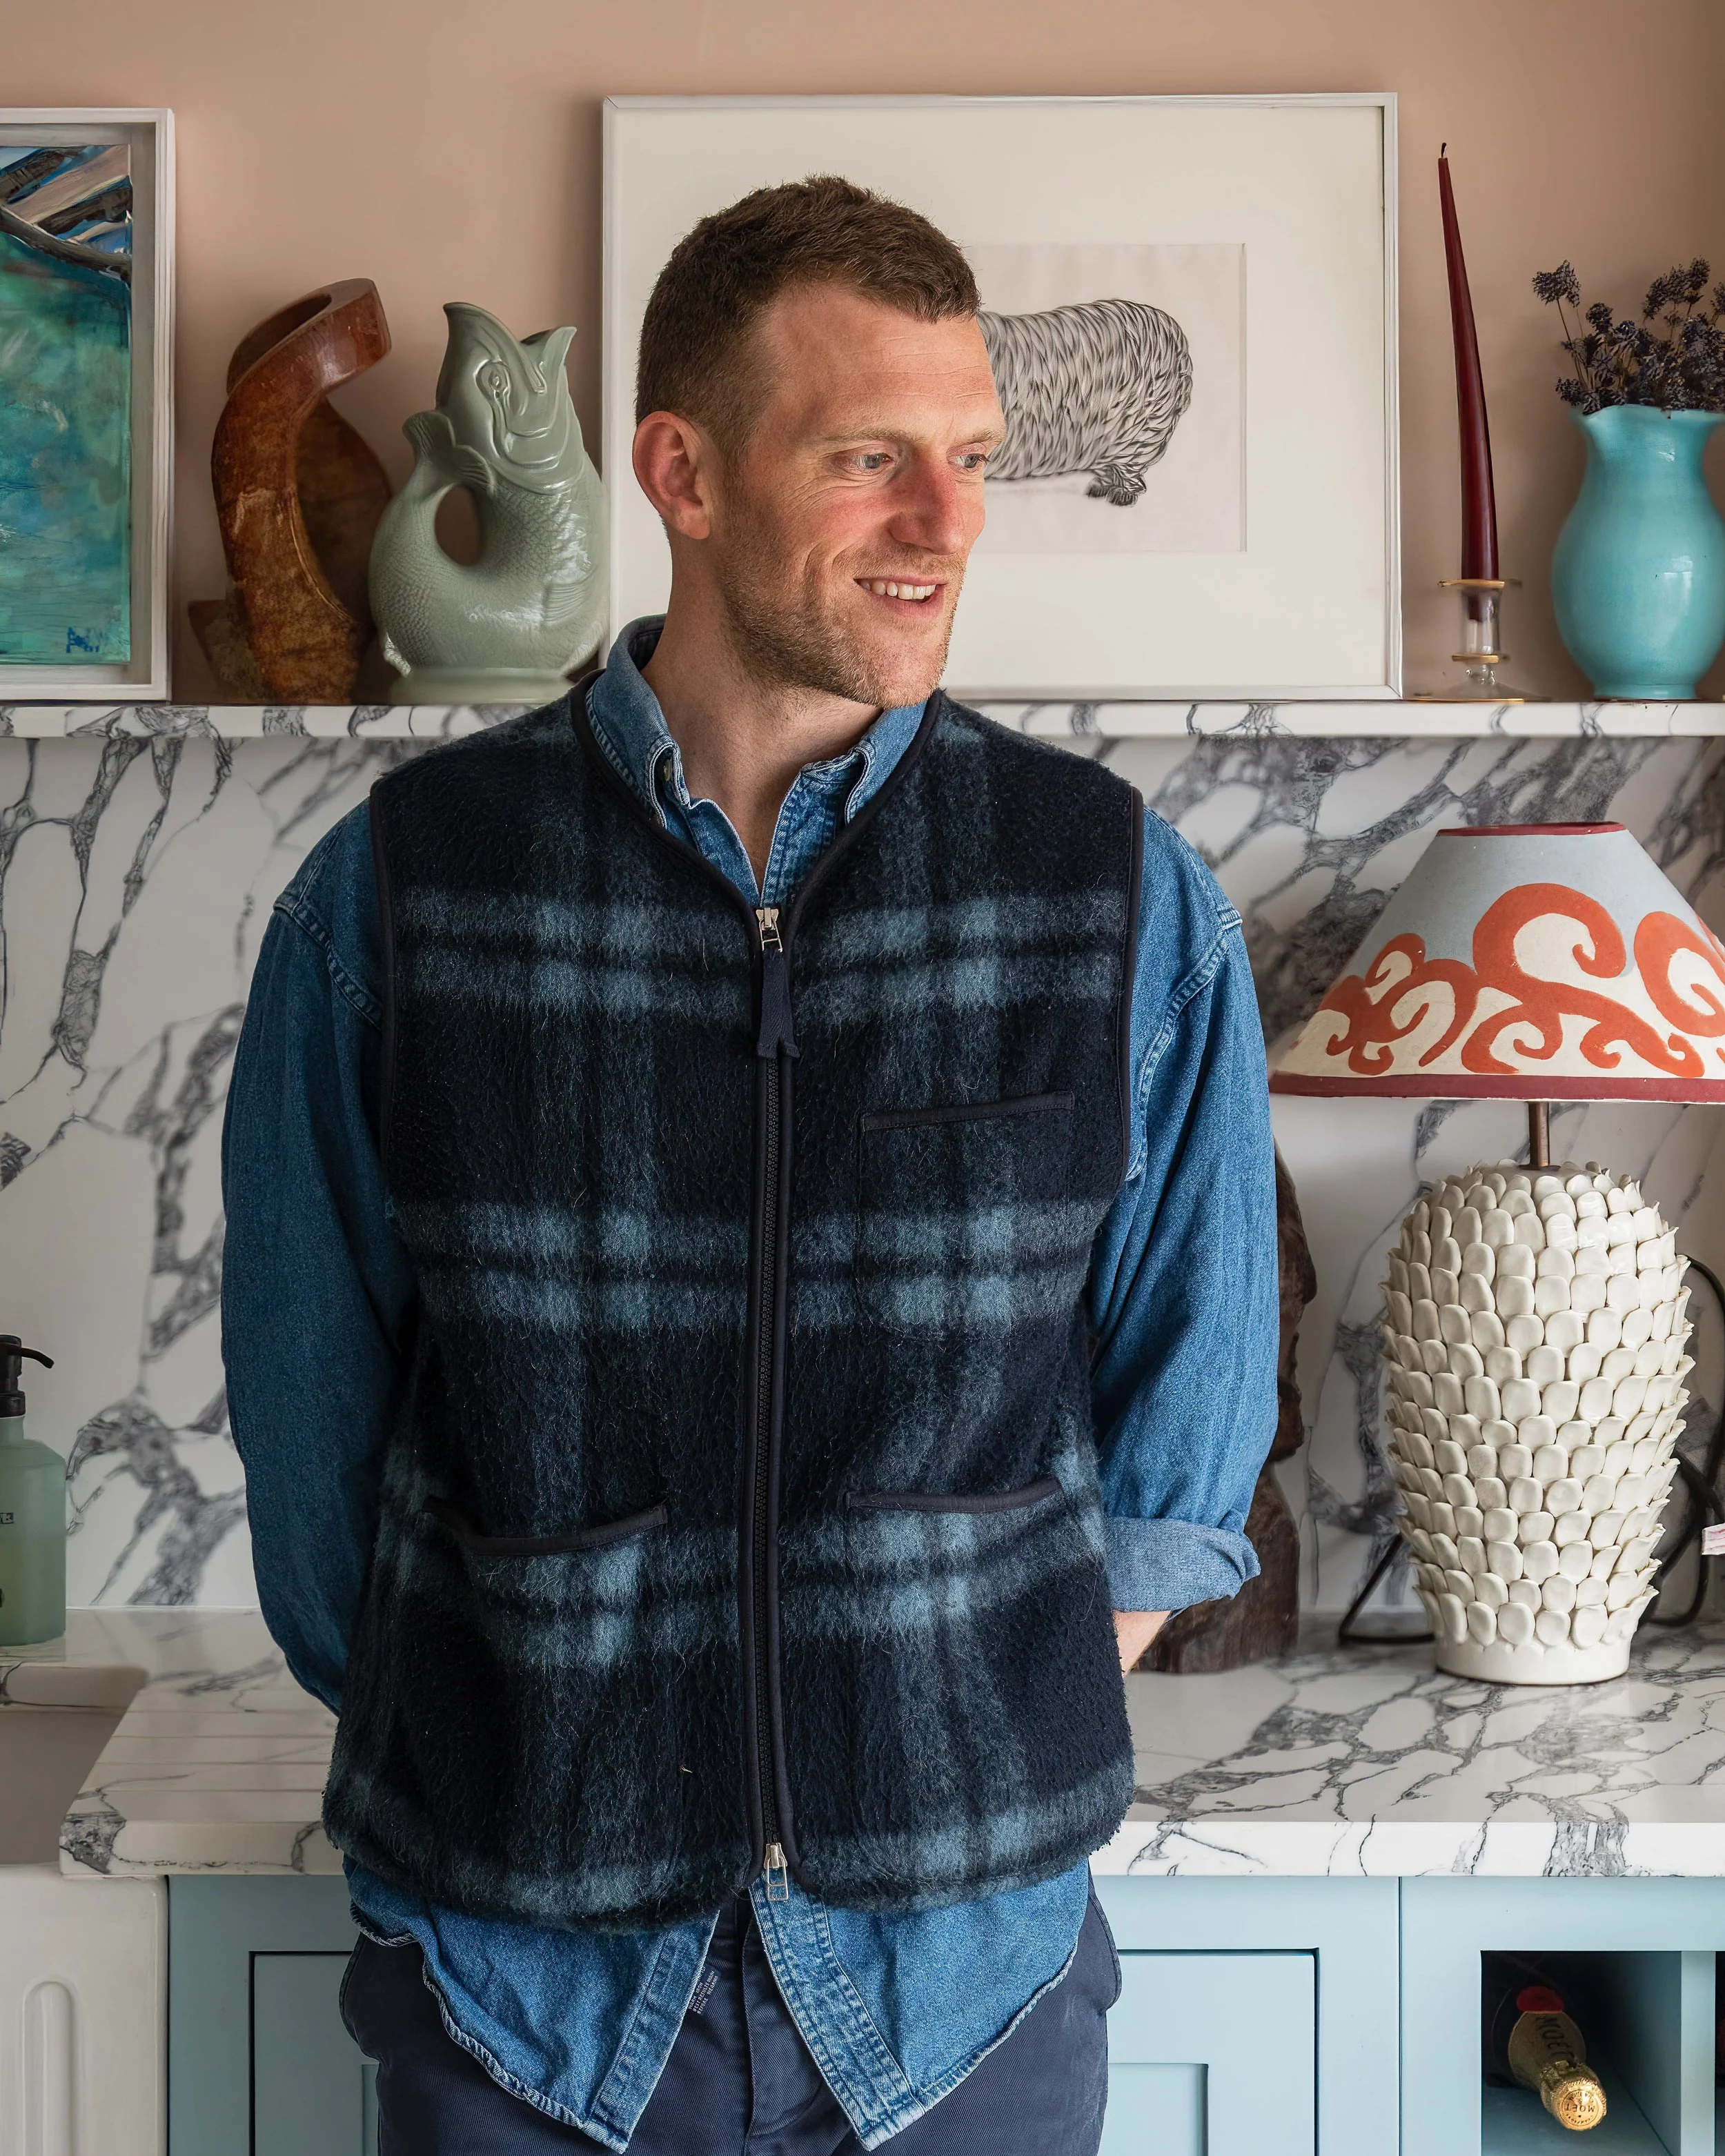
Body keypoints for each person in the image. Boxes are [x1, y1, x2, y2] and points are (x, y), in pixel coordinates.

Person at [220, 175, 1278, 2155]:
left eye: (969, 460)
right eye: (869, 458)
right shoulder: (402, 893)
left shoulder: (1113, 894)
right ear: (681, 471)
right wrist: (543, 1740)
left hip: (963, 1995)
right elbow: (313, 1436)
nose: (946, 525)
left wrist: (932, 1713)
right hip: (520, 1992)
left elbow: (1184, 1432)